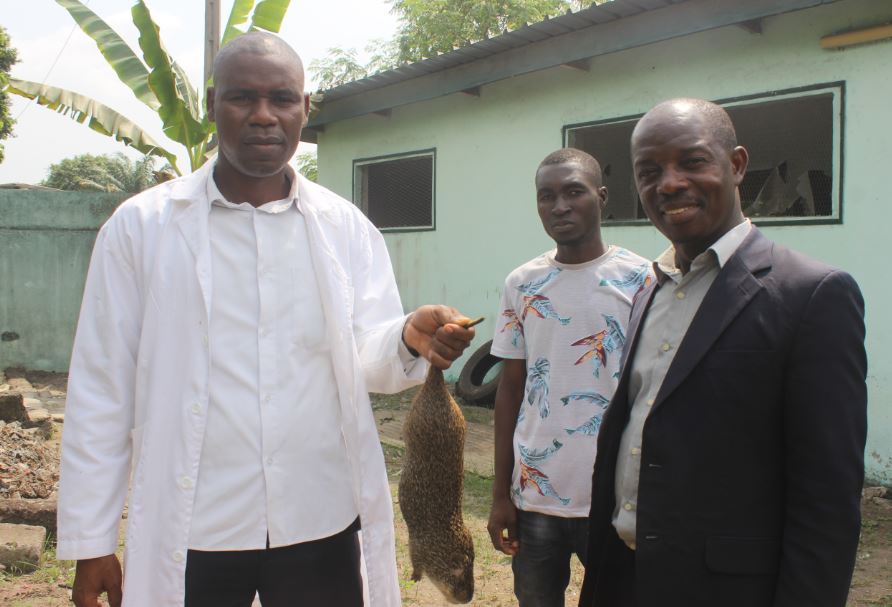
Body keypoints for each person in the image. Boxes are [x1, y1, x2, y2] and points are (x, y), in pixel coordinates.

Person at [56, 32, 477, 607]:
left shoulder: (345, 228)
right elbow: (101, 390)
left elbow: (367, 356)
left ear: (305, 109)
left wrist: (406, 337)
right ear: (211, 105)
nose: (263, 116)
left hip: (320, 520)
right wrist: (92, 541)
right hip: (197, 527)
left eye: (282, 98)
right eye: (241, 98)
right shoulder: (142, 228)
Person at [579, 98, 867, 607]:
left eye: (691, 162)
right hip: (621, 577)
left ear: (736, 165)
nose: (668, 183)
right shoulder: (651, 287)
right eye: (649, 171)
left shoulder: (811, 294)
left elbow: (826, 504)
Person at [487, 148, 653, 607]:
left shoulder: (643, 280)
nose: (559, 206)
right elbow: (510, 390)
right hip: (536, 498)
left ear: (601, 197)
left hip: (614, 498)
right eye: (547, 196)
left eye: (573, 192)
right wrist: (501, 494)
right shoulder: (522, 283)